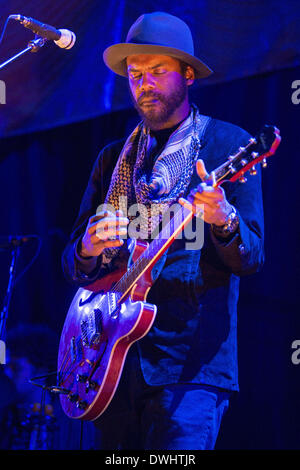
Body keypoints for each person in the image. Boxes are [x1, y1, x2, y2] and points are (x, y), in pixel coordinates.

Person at [62, 12, 264, 450]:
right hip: (106, 367)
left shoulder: (228, 146)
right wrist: (87, 247)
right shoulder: (112, 158)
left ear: (187, 74)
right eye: (136, 74)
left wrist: (224, 219)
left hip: (188, 369)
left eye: (157, 71)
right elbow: (73, 266)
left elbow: (252, 257)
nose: (144, 83)